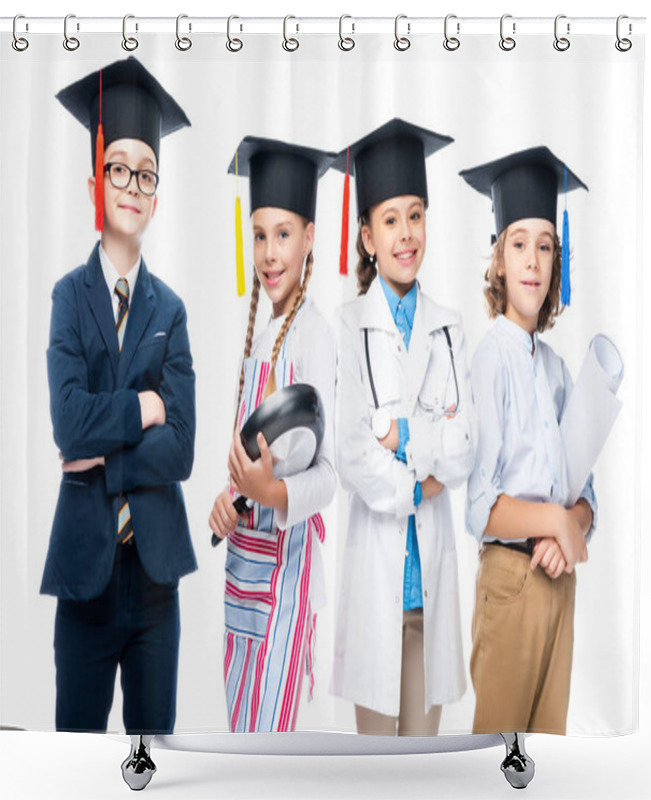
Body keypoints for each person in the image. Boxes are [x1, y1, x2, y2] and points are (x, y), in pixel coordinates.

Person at [41, 56, 196, 738]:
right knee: (75, 758)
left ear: (156, 196)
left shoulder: (173, 309)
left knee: (153, 760)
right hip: (85, 577)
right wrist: (142, 408)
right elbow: (69, 420)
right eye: (119, 168)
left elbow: (183, 446)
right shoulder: (69, 299)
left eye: (146, 173)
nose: (132, 185)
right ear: (94, 182)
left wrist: (104, 463)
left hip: (157, 580)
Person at [330, 118, 477, 736]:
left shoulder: (450, 327)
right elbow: (350, 450)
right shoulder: (348, 326)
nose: (406, 234)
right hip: (376, 588)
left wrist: (402, 434)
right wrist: (419, 484)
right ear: (366, 236)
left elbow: (466, 447)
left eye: (416, 215)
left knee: (422, 774)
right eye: (390, 220)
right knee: (375, 775)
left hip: (430, 591)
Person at [460, 146, 598, 734]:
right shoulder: (490, 359)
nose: (533, 261)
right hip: (511, 584)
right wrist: (553, 522)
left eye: (545, 245)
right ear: (497, 261)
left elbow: (586, 493)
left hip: (558, 581)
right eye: (519, 244)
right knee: (498, 760)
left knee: (547, 759)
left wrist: (571, 530)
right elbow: (479, 507)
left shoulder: (558, 371)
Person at [208, 137, 337, 732]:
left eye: (283, 234)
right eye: (259, 235)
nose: (269, 251)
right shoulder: (259, 338)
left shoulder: (315, 335)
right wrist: (229, 501)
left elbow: (326, 476)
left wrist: (271, 496)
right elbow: (251, 459)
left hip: (284, 583)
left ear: (309, 237)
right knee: (242, 740)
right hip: (243, 579)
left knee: (268, 751)